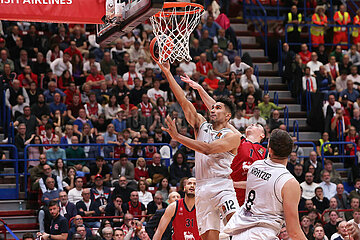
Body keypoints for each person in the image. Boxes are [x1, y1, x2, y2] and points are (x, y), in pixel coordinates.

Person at [157, 60, 240, 239]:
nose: (213, 108)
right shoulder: (201, 124)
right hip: (202, 188)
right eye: (213, 106)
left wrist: (178, 137)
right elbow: (184, 101)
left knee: (238, 229)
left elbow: (208, 149)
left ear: (227, 116)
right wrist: (168, 74)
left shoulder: (232, 136)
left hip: (222, 186)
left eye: (218, 107)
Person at [224, 129, 307, 239]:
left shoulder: (255, 166)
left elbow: (259, 184)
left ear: (269, 149)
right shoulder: (289, 183)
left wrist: (234, 184)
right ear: (290, 151)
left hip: (239, 231)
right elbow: (294, 232)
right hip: (262, 234)